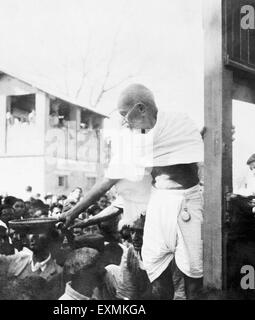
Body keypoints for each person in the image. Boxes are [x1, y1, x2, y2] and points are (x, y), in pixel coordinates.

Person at [61, 84, 204, 299]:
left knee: (193, 277)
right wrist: (72, 213)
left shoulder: (178, 124)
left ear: (140, 109)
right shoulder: (136, 141)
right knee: (157, 273)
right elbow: (108, 181)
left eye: (123, 115)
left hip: (187, 203)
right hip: (159, 203)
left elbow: (195, 150)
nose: (124, 122)